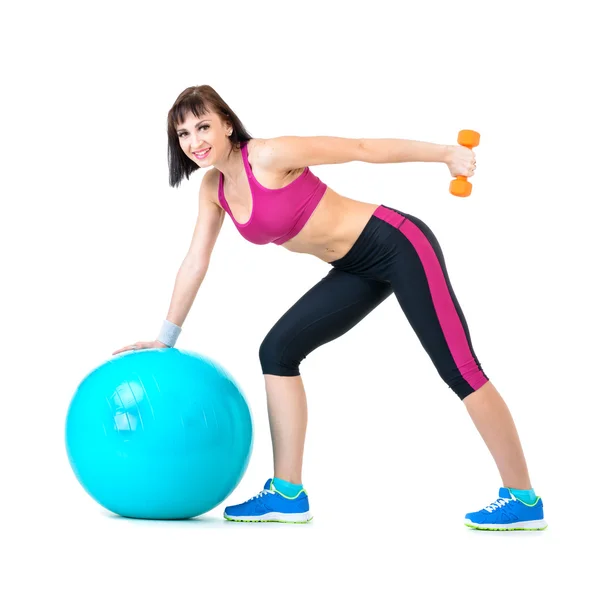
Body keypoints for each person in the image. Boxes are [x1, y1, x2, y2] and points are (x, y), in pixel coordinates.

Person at [113, 85, 546, 531]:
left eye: (203, 126)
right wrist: (166, 338)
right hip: (356, 267)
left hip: (397, 244)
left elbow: (359, 148)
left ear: (226, 123)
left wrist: (445, 155)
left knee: (459, 369)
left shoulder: (268, 154)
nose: (195, 140)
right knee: (277, 351)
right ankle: (286, 493)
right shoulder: (213, 188)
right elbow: (195, 260)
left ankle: (523, 498)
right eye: (183, 133)